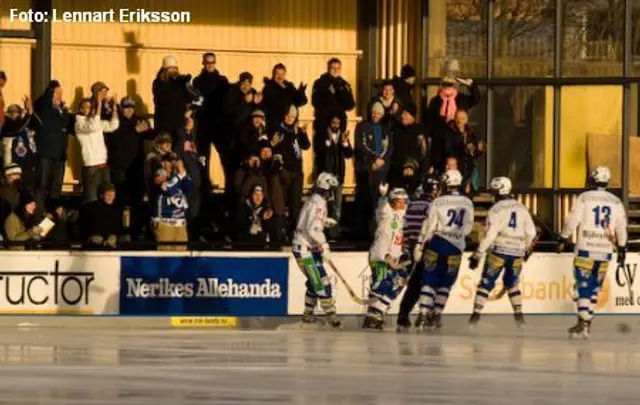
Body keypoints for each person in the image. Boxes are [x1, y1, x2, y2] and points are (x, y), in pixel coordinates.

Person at [557, 166, 627, 339]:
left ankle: (583, 320)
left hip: (585, 249)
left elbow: (573, 219)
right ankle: (586, 325)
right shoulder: (616, 201)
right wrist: (623, 248)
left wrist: (563, 236)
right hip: (605, 250)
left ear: (592, 179)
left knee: (583, 286)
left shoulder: (584, 198)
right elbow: (621, 227)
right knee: (594, 288)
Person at [467, 177, 537, 328]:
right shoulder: (522, 207)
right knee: (513, 285)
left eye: (494, 191)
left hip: (498, 251)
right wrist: (526, 249)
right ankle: (520, 319)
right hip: (517, 253)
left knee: (486, 284)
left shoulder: (496, 209)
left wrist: (478, 253)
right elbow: (531, 233)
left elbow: (490, 234)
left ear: (500, 190)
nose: (492, 195)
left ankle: (474, 318)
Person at [413, 169, 474, 331]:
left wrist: (420, 244)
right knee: (446, 283)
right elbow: (468, 228)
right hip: (456, 247)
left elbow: (429, 226)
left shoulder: (438, 202)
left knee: (429, 279)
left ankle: (424, 314)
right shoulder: (468, 203)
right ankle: (437, 314)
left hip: (437, 243)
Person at [292, 172, 342, 328]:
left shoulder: (316, 200)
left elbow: (309, 222)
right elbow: (313, 230)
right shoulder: (318, 203)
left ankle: (307, 315)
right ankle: (331, 315)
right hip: (304, 249)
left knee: (315, 282)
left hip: (308, 247)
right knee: (321, 281)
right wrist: (325, 245)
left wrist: (324, 222)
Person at [396, 176, 441, 332]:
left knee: (413, 285)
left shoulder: (412, 203)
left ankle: (403, 316)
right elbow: (431, 228)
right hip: (426, 247)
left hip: (411, 247)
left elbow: (405, 226)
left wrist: (407, 247)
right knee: (429, 284)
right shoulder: (433, 205)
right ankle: (427, 316)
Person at [362, 185, 409, 330]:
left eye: (405, 201)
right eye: (399, 201)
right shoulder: (388, 214)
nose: (403, 204)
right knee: (382, 283)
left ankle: (379, 311)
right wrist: (382, 197)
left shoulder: (406, 216)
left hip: (396, 258)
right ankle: (373, 315)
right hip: (380, 256)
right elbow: (382, 210)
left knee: (398, 283)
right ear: (392, 202)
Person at [192, 52, 231, 198]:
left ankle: (229, 189)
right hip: (203, 125)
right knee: (203, 159)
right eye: (207, 63)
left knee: (225, 158)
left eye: (212, 62)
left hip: (220, 125)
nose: (210, 65)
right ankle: (204, 190)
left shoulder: (222, 81)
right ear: (203, 63)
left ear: (215, 63)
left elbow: (229, 99)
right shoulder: (197, 81)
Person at [424, 75, 481, 173]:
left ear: (455, 86)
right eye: (445, 84)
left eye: (450, 84)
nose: (447, 86)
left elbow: (476, 99)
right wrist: (428, 137)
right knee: (441, 166)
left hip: (457, 136)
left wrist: (470, 85)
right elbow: (429, 121)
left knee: (460, 164)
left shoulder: (461, 98)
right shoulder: (436, 101)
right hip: (440, 139)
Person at [106, 97, 155, 206]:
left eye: (131, 107)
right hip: (120, 166)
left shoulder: (137, 120)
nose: (129, 110)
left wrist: (147, 128)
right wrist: (135, 131)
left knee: (136, 196)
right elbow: (117, 141)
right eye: (126, 107)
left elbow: (152, 136)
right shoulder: (115, 121)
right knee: (120, 196)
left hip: (135, 165)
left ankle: (134, 221)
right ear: (121, 108)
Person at [270, 105, 310, 237]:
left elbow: (306, 145)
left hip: (297, 171)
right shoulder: (280, 129)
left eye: (293, 117)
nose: (290, 119)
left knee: (295, 204)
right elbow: (277, 146)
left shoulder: (296, 130)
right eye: (288, 116)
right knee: (282, 203)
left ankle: (294, 231)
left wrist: (302, 133)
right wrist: (293, 134)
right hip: (285, 171)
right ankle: (280, 231)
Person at [354, 101, 393, 234]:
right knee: (364, 198)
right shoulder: (362, 126)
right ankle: (362, 230)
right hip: (366, 168)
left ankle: (377, 228)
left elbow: (389, 147)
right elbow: (361, 145)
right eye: (374, 113)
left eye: (379, 113)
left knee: (378, 199)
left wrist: (382, 160)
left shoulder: (385, 129)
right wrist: (373, 159)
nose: (376, 115)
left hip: (381, 169)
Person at [33, 80, 71, 214]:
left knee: (56, 186)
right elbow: (41, 102)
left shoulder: (61, 111)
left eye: (61, 93)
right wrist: (51, 89)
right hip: (46, 153)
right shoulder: (45, 108)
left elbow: (69, 126)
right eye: (57, 93)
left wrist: (64, 110)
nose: (59, 96)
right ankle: (39, 212)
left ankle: (53, 213)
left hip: (59, 155)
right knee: (42, 184)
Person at [311, 58, 355, 170]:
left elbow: (350, 105)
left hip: (339, 126)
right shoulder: (320, 83)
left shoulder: (344, 84)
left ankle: (338, 183)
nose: (335, 70)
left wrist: (339, 93)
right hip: (324, 126)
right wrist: (328, 95)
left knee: (339, 157)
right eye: (333, 68)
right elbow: (315, 101)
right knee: (323, 158)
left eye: (338, 68)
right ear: (328, 68)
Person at [74, 95, 119, 203]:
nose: (91, 110)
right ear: (81, 109)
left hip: (103, 165)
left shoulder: (95, 121)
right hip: (91, 167)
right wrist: (99, 105)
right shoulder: (79, 123)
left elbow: (113, 126)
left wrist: (114, 109)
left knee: (107, 198)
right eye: (87, 107)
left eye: (91, 107)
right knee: (92, 199)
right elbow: (92, 126)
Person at [315, 115, 353, 240]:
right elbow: (318, 151)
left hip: (338, 175)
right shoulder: (322, 135)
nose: (336, 125)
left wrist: (345, 143)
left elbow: (348, 155)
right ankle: (320, 232)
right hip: (325, 177)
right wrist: (327, 142)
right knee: (322, 205)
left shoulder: (342, 136)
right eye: (333, 123)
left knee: (337, 206)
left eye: (338, 123)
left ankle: (334, 233)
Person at [150, 155, 193, 251]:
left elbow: (190, 188)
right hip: (165, 223)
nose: (172, 164)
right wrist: (180, 176)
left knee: (181, 259)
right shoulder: (159, 174)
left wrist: (182, 172)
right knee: (165, 258)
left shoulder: (179, 176)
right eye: (169, 161)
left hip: (180, 224)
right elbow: (167, 188)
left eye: (174, 161)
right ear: (163, 163)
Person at [173, 116, 205, 240]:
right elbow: (178, 159)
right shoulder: (180, 141)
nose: (190, 123)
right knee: (185, 215)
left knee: (194, 215)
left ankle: (192, 237)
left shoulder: (194, 140)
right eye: (188, 121)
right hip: (185, 185)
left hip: (195, 183)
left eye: (192, 121)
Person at [152, 55, 199, 136]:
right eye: (170, 68)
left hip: (180, 126)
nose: (173, 71)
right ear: (164, 69)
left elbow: (199, 98)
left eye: (175, 68)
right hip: (164, 126)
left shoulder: (182, 82)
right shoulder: (158, 83)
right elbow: (163, 99)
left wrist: (191, 110)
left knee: (178, 147)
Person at [444, 109, 484, 194]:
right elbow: (447, 149)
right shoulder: (449, 132)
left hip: (468, 168)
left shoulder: (471, 133)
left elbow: (473, 153)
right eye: (458, 118)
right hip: (456, 166)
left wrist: (479, 150)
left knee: (469, 192)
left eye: (462, 119)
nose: (460, 121)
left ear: (466, 120)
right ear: (455, 119)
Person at [389, 104, 428, 188]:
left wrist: (413, 167)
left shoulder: (419, 130)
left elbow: (424, 152)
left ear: (412, 116)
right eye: (402, 114)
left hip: (415, 170)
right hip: (397, 170)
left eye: (406, 114)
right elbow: (391, 149)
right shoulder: (396, 129)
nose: (403, 116)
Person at [2, 100, 37, 191]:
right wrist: (28, 114)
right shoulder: (7, 124)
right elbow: (18, 128)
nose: (19, 116)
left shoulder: (22, 124)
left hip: (26, 163)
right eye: (18, 113)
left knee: (28, 188)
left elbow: (36, 125)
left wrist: (30, 112)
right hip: (13, 163)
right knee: (16, 189)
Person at [262, 63, 307, 131]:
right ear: (273, 74)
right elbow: (271, 103)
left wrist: (301, 92)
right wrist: (282, 89)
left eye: (282, 74)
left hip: (290, 124)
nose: (280, 76)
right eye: (277, 74)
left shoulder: (289, 86)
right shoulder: (268, 88)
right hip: (274, 125)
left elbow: (299, 102)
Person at [79, 183, 123, 249]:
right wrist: (90, 237)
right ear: (101, 195)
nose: (110, 197)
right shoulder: (90, 208)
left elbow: (119, 227)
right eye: (108, 195)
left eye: (113, 195)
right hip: (94, 244)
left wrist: (115, 236)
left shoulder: (117, 209)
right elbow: (83, 225)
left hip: (112, 244)